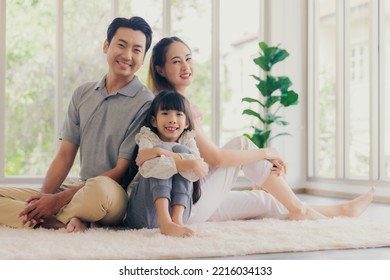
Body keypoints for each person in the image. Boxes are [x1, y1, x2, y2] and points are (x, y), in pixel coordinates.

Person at [143, 36, 376, 224]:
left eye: (188, 58)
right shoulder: (169, 110)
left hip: (192, 200)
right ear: (160, 70)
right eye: (176, 61)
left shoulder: (175, 104)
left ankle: (342, 209)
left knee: (264, 201)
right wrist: (266, 153)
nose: (186, 66)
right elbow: (216, 158)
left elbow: (203, 159)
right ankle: (299, 209)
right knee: (242, 144)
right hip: (181, 207)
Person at [0, 16, 154, 232]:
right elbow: (65, 156)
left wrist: (58, 200)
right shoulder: (82, 94)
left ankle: (58, 220)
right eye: (121, 45)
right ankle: (62, 222)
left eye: (137, 50)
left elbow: (120, 171)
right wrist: (43, 200)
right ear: (106, 46)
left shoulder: (146, 103)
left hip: (112, 194)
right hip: (79, 188)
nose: (128, 55)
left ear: (143, 57)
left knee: (98, 189)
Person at [125, 90, 207, 237]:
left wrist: (159, 153)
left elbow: (197, 169)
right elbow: (150, 168)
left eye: (179, 114)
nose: (172, 120)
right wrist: (188, 163)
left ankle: (176, 220)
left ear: (187, 122)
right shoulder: (147, 138)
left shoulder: (187, 139)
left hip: (181, 213)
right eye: (165, 113)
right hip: (143, 212)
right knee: (164, 159)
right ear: (154, 121)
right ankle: (164, 221)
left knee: (180, 151)